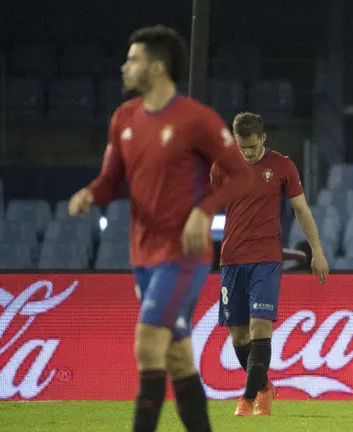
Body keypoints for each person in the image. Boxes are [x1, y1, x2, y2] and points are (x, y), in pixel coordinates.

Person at [68, 25, 253, 432]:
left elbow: (241, 175)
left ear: (157, 66)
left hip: (183, 257)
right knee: (176, 358)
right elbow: (110, 180)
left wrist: (204, 211)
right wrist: (90, 194)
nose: (124, 67)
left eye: (132, 59)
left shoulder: (196, 119)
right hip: (143, 256)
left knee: (147, 345)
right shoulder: (124, 118)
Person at [211, 112, 329, 417]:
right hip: (231, 260)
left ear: (263, 138)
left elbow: (301, 209)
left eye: (252, 146)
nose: (247, 153)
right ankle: (265, 387)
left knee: (260, 326)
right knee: (238, 336)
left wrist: (317, 251)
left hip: (266, 259)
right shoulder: (222, 166)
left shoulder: (282, 166)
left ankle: (247, 399)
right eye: (242, 147)